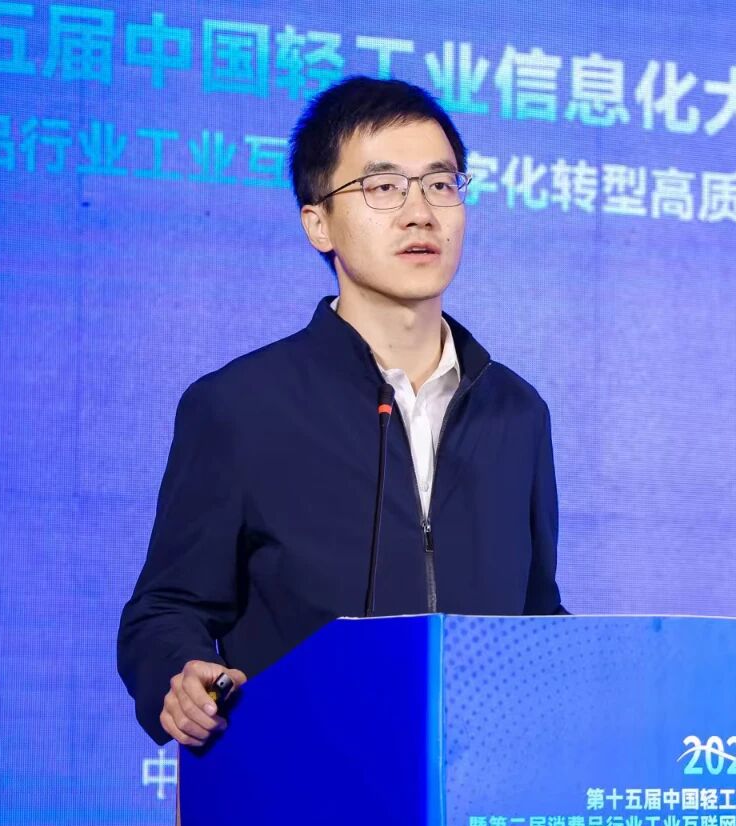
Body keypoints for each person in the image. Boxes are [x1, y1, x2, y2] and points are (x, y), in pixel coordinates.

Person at [117, 76, 566, 748]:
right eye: (383, 187)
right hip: (303, 772)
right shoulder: (241, 405)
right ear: (317, 222)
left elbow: (535, 613)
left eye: (441, 184)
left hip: (477, 779)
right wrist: (179, 675)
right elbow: (165, 608)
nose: (421, 213)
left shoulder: (517, 411)